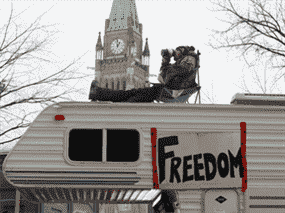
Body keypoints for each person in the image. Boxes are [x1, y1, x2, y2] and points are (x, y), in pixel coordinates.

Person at [89, 45, 198, 103]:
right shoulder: (182, 63)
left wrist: (168, 63)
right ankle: (98, 93)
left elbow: (167, 78)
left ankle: (99, 94)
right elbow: (162, 78)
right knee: (132, 93)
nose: (175, 55)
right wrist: (166, 60)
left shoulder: (190, 60)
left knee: (133, 96)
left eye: (178, 52)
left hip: (169, 93)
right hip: (164, 92)